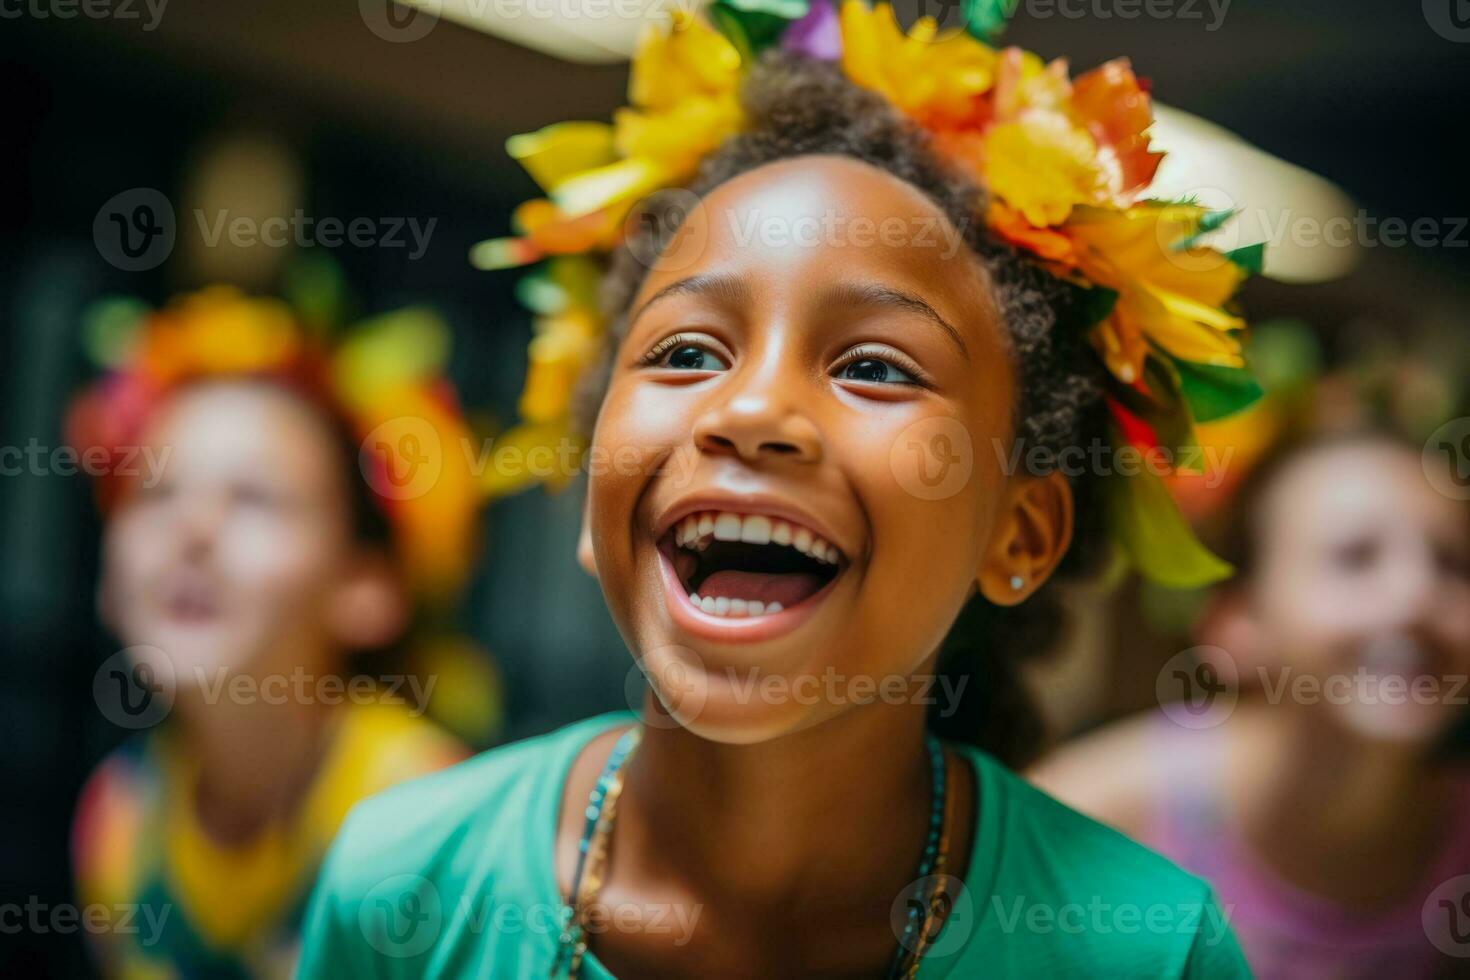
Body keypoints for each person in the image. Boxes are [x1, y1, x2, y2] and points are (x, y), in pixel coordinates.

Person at [299, 3, 1264, 975]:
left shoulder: (1146, 949)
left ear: (1019, 533)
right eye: (686, 350)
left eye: (877, 368)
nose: (752, 407)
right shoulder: (405, 883)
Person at [68, 287, 481, 978]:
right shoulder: (120, 819)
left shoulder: (432, 822)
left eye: (255, 498)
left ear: (367, 587)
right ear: (110, 580)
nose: (191, 530)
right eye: (157, 493)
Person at [1032, 429, 1470, 978]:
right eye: (1356, 558)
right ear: (1235, 626)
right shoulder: (1086, 823)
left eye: (1454, 564)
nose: (1416, 596)